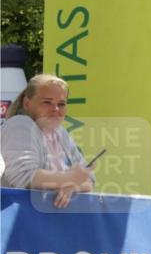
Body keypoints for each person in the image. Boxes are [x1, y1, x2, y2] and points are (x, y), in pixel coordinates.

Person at [1, 74, 94, 208]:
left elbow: (89, 180)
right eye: (47, 102)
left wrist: (71, 187)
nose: (55, 109)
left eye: (61, 104)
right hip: (17, 222)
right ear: (27, 103)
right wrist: (69, 179)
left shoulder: (61, 133)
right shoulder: (20, 124)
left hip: (50, 223)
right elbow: (24, 177)